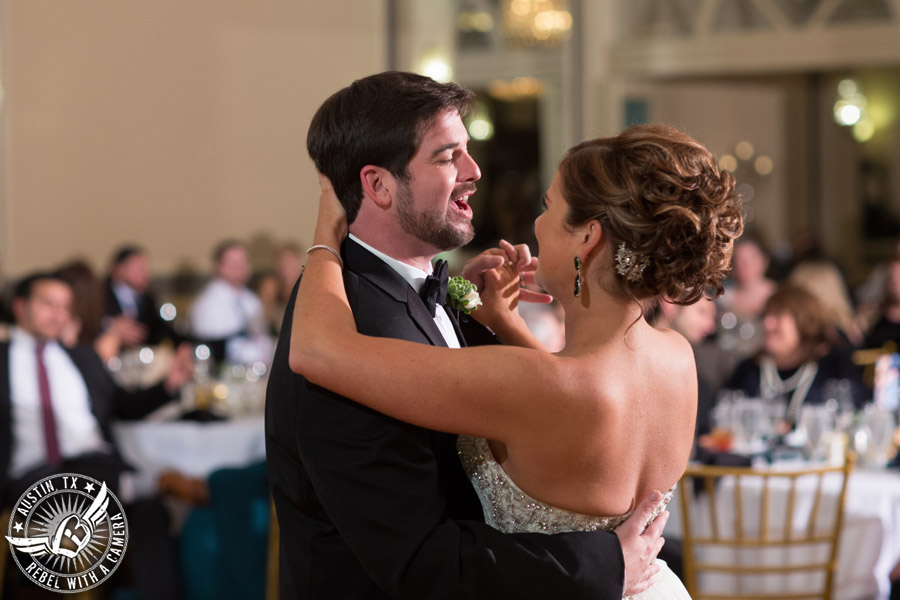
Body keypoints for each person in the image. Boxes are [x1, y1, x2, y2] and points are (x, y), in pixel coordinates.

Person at [289, 120, 743, 598]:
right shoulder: (676, 356)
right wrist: (506, 324)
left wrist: (326, 230)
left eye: (549, 206)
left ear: (587, 239)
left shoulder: (532, 386)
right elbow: (577, 407)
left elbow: (316, 350)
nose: (537, 224)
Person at [0, 272, 197, 599]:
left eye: (65, 307)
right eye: (49, 304)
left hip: (95, 464)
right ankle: (149, 481)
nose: (59, 314)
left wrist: (169, 385)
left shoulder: (81, 356)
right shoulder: (3, 359)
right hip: (30, 476)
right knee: (69, 484)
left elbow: (122, 404)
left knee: (150, 510)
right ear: (20, 307)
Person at [724, 285, 866, 429]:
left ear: (803, 320)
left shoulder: (833, 367)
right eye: (766, 316)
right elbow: (724, 414)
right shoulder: (750, 369)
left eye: (778, 316)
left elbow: (855, 413)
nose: (767, 324)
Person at [189, 239, 271, 365]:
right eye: (233, 263)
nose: (240, 268)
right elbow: (215, 346)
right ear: (218, 266)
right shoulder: (206, 304)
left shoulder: (251, 300)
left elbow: (262, 336)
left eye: (243, 262)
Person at [104, 245, 180, 349]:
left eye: (145, 269)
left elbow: (161, 329)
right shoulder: (101, 295)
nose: (144, 274)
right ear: (119, 269)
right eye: (138, 269)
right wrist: (111, 326)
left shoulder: (147, 299)